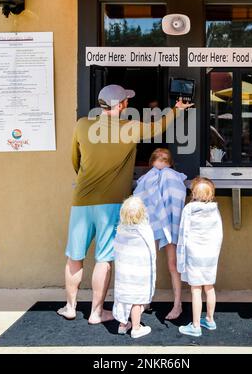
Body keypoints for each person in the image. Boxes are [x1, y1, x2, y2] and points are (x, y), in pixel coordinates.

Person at [57, 84, 191, 324]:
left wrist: (86, 179)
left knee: (74, 257)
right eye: (126, 101)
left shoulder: (82, 124)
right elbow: (159, 126)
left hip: (81, 201)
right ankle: (96, 312)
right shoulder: (131, 128)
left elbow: (74, 160)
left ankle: (70, 306)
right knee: (104, 260)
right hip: (110, 204)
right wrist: (176, 109)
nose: (128, 105)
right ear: (119, 106)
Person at [133, 148, 187, 320]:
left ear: (170, 163)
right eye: (159, 159)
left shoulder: (172, 177)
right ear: (152, 162)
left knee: (171, 265)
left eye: (164, 159)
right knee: (151, 263)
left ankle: (177, 304)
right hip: (152, 223)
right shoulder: (148, 178)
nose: (161, 162)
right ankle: (145, 300)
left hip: (169, 224)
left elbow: (176, 200)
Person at [177, 177, 223, 337]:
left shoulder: (189, 209)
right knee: (209, 287)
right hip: (210, 255)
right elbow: (219, 233)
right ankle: (209, 320)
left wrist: (181, 256)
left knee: (196, 289)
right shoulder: (214, 209)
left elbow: (183, 233)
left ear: (193, 193)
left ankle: (195, 325)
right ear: (211, 194)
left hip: (194, 254)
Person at [113, 196, 156, 339]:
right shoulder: (145, 231)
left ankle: (123, 325)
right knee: (136, 300)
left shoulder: (120, 230)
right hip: (138, 273)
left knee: (124, 299)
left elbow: (117, 250)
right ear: (143, 213)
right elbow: (151, 252)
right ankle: (136, 328)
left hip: (123, 273)